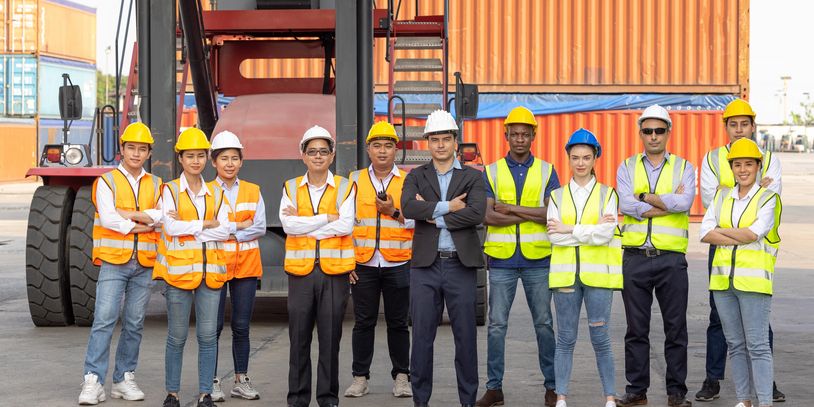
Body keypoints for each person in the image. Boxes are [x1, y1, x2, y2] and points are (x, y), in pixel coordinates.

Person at [696, 99, 785, 403]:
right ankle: (742, 397)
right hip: (723, 278)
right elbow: (704, 230)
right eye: (737, 164)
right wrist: (736, 235)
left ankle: (764, 397)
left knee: (758, 343)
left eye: (749, 164)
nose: (743, 168)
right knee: (733, 340)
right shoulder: (719, 186)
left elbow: (756, 231)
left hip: (754, 280)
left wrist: (722, 232)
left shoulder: (767, 194)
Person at [401, 110, 486, 407]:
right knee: (422, 340)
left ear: (455, 141)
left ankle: (467, 402)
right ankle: (420, 402)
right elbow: (409, 208)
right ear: (427, 142)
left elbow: (476, 213)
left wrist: (433, 214)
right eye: (434, 139)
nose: (439, 145)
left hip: (460, 265)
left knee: (465, 340)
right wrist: (449, 206)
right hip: (426, 266)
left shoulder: (473, 177)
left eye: (445, 139)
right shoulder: (416, 176)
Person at [476, 106, 558, 407]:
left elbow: (551, 214)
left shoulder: (548, 170)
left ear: (533, 135)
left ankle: (552, 386)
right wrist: (529, 214)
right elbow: (488, 216)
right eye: (515, 134)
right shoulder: (491, 171)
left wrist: (509, 208)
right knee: (497, 325)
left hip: (538, 259)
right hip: (501, 261)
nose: (520, 139)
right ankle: (494, 388)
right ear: (506, 135)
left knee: (544, 324)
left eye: (526, 134)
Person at [615, 105, 695, 407]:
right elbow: (625, 204)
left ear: (668, 133)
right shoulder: (627, 166)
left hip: (671, 259)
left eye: (659, 130)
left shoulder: (684, 166)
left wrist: (644, 197)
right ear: (640, 134)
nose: (653, 136)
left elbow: (685, 202)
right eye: (647, 131)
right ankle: (636, 390)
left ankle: (677, 392)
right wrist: (665, 203)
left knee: (676, 328)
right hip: (634, 257)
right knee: (636, 329)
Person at [78, 122, 162, 405]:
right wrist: (143, 222)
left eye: (142, 149)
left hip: (144, 263)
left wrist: (131, 214)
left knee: (135, 323)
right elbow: (111, 219)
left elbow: (162, 217)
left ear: (149, 152)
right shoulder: (106, 181)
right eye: (131, 148)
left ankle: (123, 379)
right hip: (114, 261)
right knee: (103, 320)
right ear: (121, 150)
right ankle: (93, 381)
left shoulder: (157, 184)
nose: (136, 154)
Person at [154, 128, 231, 407]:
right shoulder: (170, 190)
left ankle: (204, 394)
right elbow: (170, 227)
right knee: (176, 337)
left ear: (207, 158)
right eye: (190, 156)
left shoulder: (217, 193)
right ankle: (172, 393)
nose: (196, 161)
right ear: (181, 158)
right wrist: (205, 224)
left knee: (208, 337)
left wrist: (192, 229)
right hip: (179, 275)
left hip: (210, 275)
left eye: (200, 155)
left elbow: (225, 231)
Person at [280, 125, 356, 407]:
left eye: (324, 151)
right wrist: (326, 219)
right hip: (300, 275)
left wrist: (305, 224)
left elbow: (346, 224)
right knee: (298, 340)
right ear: (302, 155)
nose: (318, 156)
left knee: (330, 340)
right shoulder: (290, 187)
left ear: (332, 155)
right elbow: (289, 225)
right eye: (312, 151)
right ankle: (298, 400)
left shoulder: (346, 187)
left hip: (334, 274)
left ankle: (328, 399)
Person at [546, 129, 621, 407]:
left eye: (586, 157)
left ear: (595, 158)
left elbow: (607, 234)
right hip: (565, 276)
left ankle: (610, 398)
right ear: (568, 157)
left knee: (601, 338)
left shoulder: (607, 194)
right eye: (575, 157)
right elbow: (554, 235)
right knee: (565, 339)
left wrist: (570, 229)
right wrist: (590, 229)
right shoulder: (557, 195)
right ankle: (562, 397)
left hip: (599, 277)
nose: (580, 163)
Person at [345, 121, 414, 399]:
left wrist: (394, 211)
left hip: (398, 262)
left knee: (399, 323)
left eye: (388, 146)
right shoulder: (355, 179)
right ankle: (360, 378)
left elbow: (417, 220)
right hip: (363, 263)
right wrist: (348, 260)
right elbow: (345, 223)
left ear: (395, 150)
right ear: (368, 149)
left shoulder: (409, 180)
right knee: (363, 322)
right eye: (377, 146)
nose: (382, 151)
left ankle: (402, 377)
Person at [207, 131, 266, 401]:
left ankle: (241, 379)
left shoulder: (253, 190)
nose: (229, 163)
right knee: (213, 326)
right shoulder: (205, 192)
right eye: (223, 158)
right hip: (217, 264)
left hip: (246, 266)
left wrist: (229, 232)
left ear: (241, 161)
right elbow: (205, 231)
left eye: (234, 158)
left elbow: (260, 227)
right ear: (214, 162)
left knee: (242, 325)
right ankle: (212, 380)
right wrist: (239, 228)